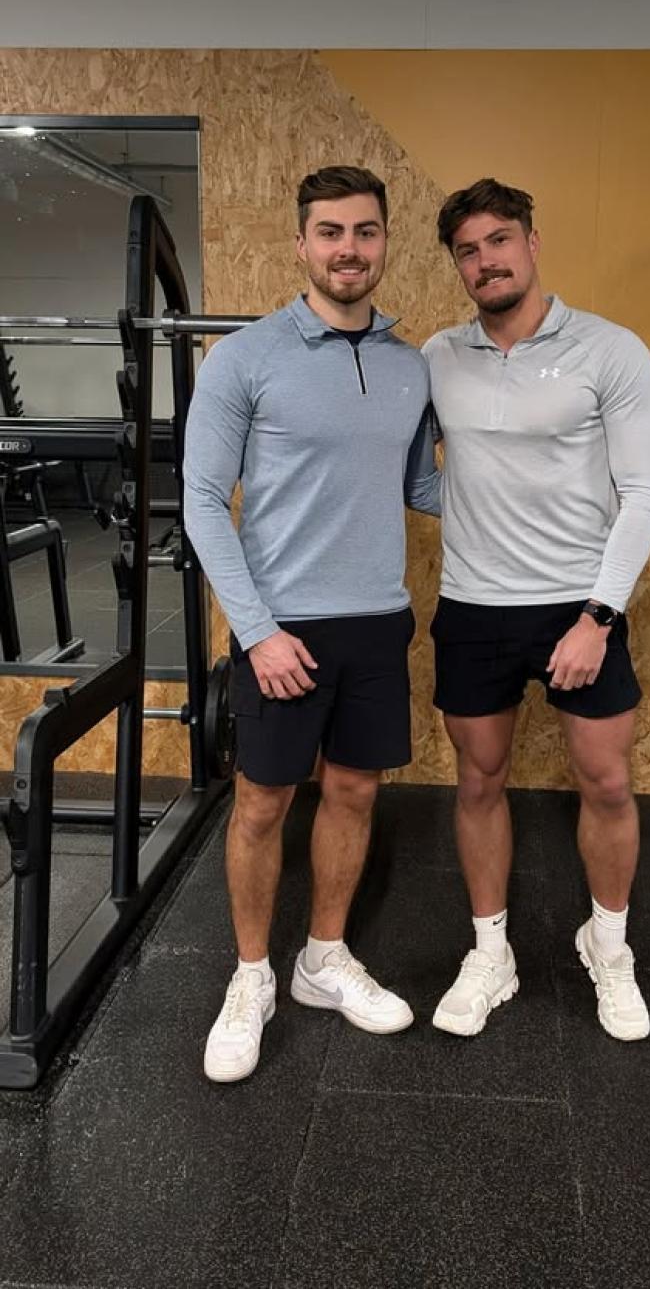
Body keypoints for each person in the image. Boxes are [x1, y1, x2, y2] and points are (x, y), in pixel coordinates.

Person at [184, 164, 440, 1083]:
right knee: (261, 802)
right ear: (300, 244)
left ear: (384, 242)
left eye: (364, 231)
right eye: (329, 232)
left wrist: (546, 493)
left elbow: (422, 488)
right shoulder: (244, 359)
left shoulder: (411, 366)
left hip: (375, 620)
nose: (348, 249)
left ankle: (322, 959)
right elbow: (203, 501)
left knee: (356, 792)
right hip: (281, 626)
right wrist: (256, 632)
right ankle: (251, 976)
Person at [423, 177, 650, 1042]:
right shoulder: (437, 356)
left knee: (605, 781)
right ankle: (491, 952)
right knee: (478, 779)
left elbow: (645, 494)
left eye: (498, 240)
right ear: (457, 264)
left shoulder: (609, 350)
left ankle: (608, 945)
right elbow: (413, 469)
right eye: (467, 250)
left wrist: (596, 617)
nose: (484, 260)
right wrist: (466, 506)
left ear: (531, 243)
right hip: (472, 604)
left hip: (577, 603)